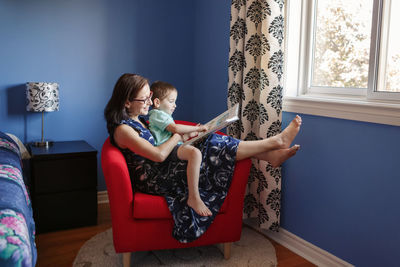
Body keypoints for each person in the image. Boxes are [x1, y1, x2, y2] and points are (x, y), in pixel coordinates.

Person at [104, 73, 301, 243]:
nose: (149, 103)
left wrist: (190, 136)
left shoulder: (137, 118)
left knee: (211, 140)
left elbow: (159, 144)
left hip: (164, 165)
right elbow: (158, 154)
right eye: (144, 99)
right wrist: (177, 136)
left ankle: (270, 152)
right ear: (127, 102)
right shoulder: (123, 130)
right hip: (155, 178)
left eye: (150, 97)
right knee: (209, 149)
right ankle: (273, 145)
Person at [148, 81, 211, 216]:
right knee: (195, 153)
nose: (174, 105)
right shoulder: (156, 114)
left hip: (173, 146)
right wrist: (197, 128)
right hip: (167, 149)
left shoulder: (163, 116)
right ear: (157, 102)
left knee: (201, 148)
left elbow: (176, 135)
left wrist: (193, 133)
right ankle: (194, 197)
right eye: (171, 101)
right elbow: (175, 129)